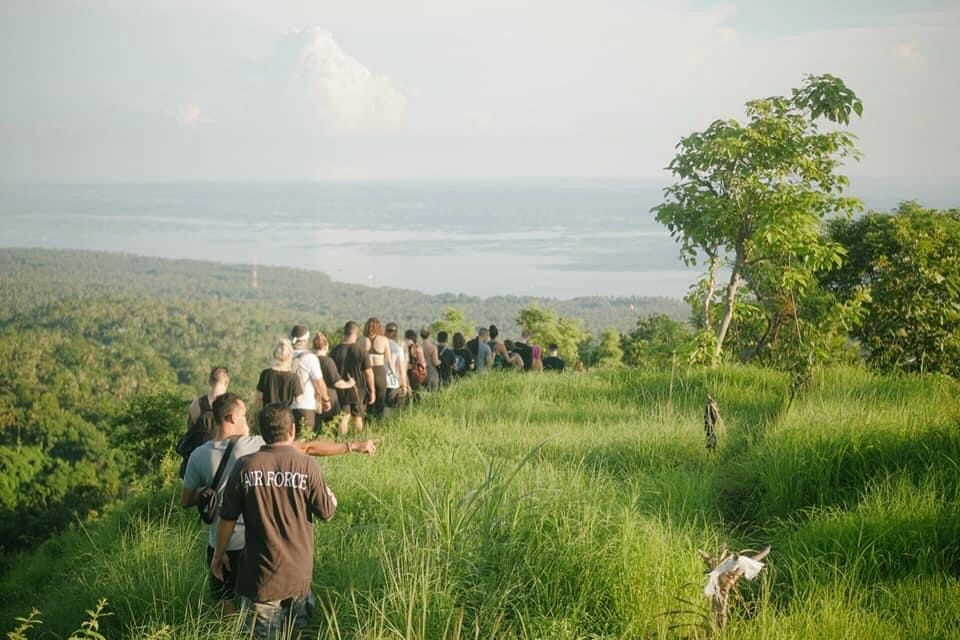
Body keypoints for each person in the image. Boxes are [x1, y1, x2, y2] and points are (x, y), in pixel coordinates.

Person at [182, 394, 376, 617]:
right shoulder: (257, 445)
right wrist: (352, 446)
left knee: (226, 602)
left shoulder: (198, 455)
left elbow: (186, 500)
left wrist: (206, 496)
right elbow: (308, 448)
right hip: (257, 544)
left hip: (221, 541)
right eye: (244, 416)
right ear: (231, 418)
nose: (248, 421)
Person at [210, 404, 348, 638]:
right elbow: (328, 513)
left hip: (260, 578)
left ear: (262, 432)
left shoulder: (246, 466)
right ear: (292, 430)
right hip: (298, 576)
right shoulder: (308, 466)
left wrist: (218, 555)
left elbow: (227, 519)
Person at [331, 321, 375, 436]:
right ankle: (359, 441)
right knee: (358, 417)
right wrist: (372, 391)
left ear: (345, 333)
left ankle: (342, 441)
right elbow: (369, 373)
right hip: (358, 389)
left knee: (344, 417)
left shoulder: (335, 351)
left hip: (341, 389)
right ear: (356, 333)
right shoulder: (361, 350)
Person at [289, 325, 333, 435]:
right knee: (304, 440)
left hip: (286, 407)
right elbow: (319, 382)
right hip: (305, 405)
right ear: (306, 340)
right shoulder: (310, 358)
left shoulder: (285, 356)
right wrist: (326, 400)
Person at [311, 331, 355, 427]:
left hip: (312, 399)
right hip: (329, 398)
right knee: (342, 418)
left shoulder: (309, 360)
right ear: (326, 346)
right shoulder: (327, 361)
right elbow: (337, 382)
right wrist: (349, 384)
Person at [256, 339, 303, 408]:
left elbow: (259, 397)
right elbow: (299, 400)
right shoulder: (293, 377)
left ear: (274, 354)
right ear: (290, 356)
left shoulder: (266, 374)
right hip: (285, 415)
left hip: (268, 414)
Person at [363, 318, 390, 419]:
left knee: (368, 400)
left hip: (366, 372)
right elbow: (388, 360)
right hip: (380, 372)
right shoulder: (384, 340)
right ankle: (379, 423)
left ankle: (368, 422)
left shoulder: (362, 340)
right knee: (380, 400)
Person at [384, 322, 410, 409]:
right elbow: (404, 366)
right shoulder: (400, 346)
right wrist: (404, 384)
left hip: (381, 380)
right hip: (395, 380)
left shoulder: (378, 344)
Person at [419, 326, 441, 392]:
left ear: (421, 335)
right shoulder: (433, 347)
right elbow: (435, 362)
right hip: (431, 371)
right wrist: (440, 361)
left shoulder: (418, 347)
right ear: (429, 334)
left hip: (421, 372)